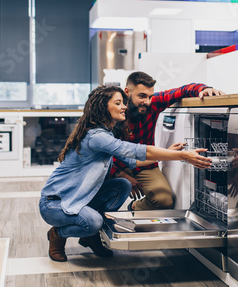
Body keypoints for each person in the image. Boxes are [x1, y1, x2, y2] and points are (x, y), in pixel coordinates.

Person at [38, 85, 212, 262]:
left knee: (122, 185)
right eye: (118, 103)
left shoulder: (105, 133)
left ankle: (91, 236)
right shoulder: (96, 136)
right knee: (93, 222)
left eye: (123, 102)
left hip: (78, 198)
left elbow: (133, 162)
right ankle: (58, 234)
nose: (124, 107)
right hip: (55, 203)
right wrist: (181, 155)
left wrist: (168, 152)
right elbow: (135, 150)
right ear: (102, 107)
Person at [111, 71, 225, 211]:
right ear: (127, 92)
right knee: (102, 190)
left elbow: (181, 90)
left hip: (146, 162)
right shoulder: (114, 110)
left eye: (150, 96)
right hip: (115, 165)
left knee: (163, 201)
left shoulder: (153, 104)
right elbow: (100, 153)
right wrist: (119, 173)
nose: (147, 102)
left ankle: (134, 207)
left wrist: (204, 88)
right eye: (141, 96)